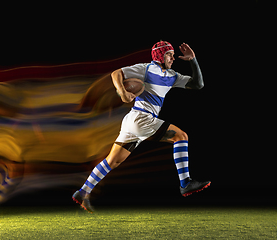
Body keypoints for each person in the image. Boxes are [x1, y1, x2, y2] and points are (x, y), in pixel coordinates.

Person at [73, 41, 211, 213]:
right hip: (141, 118)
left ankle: (83, 192)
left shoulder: (172, 75)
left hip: (133, 121)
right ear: (160, 55)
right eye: (169, 54)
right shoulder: (146, 68)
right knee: (181, 136)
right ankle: (185, 183)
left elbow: (198, 85)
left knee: (113, 161)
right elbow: (117, 73)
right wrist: (122, 92)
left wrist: (193, 59)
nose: (173, 58)